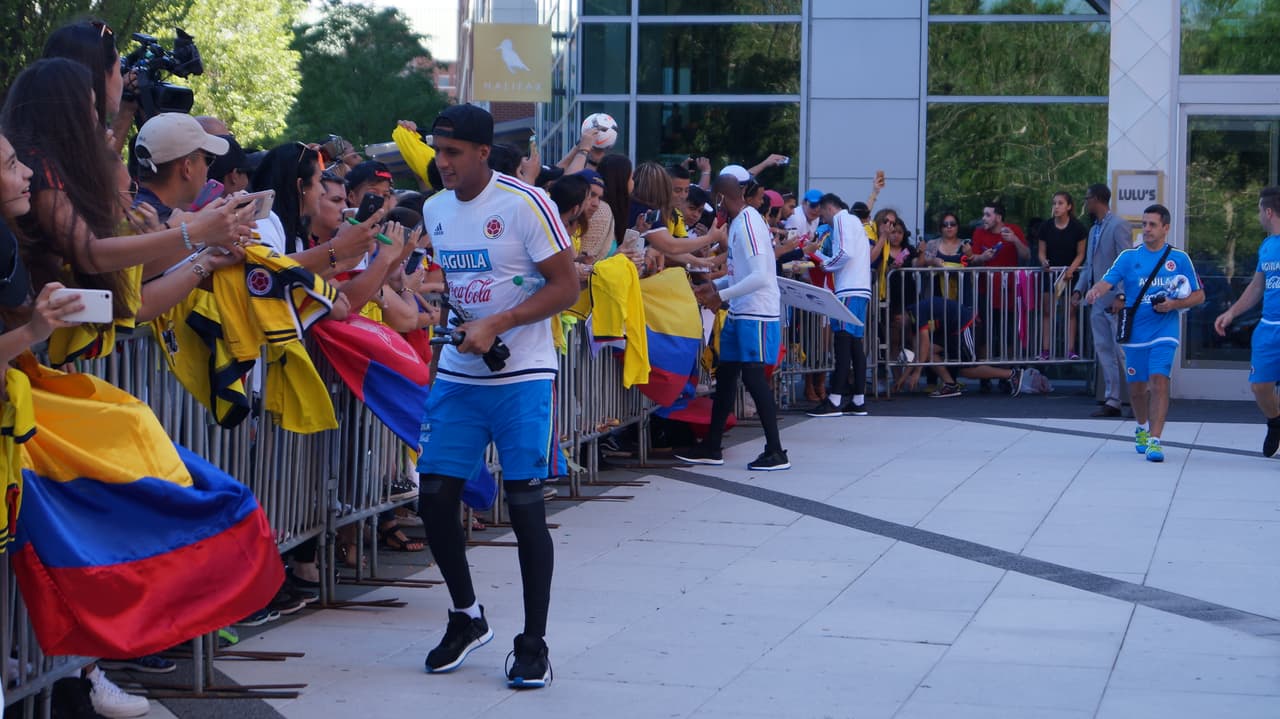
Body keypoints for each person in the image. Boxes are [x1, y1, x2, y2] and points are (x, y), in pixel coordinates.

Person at [415, 105, 577, 689]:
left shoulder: (525, 203)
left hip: (523, 373)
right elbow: (460, 283)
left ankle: (533, 644)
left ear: (483, 152)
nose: (443, 162)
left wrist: (499, 323)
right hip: (460, 373)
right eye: (438, 150)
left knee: (526, 509)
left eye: (454, 152)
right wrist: (456, 315)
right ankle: (466, 617)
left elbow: (567, 286)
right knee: (433, 496)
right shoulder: (434, 208)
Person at [675, 172, 789, 472]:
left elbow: (761, 276)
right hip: (742, 310)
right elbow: (743, 274)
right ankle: (712, 446)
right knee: (726, 376)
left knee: (753, 379)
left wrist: (719, 294)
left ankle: (776, 451)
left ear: (722, 198)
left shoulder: (749, 223)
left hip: (756, 312)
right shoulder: (741, 223)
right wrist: (715, 288)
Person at [1086, 204, 1203, 462]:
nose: (1146, 229)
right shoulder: (1129, 257)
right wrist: (1096, 290)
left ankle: (1155, 440)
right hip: (1136, 332)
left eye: (1152, 224)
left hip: (1165, 329)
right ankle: (1141, 427)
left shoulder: (1179, 259)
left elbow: (1198, 294)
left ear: (1166, 228)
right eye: (1144, 224)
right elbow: (1108, 279)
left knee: (1159, 379)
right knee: (1137, 389)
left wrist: (1174, 305)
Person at [1214, 186, 1280, 457]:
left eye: (1258, 211)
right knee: (1259, 385)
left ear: (1268, 211)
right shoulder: (1267, 246)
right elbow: (1257, 287)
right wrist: (1231, 313)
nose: (1258, 217)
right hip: (1268, 327)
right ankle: (1275, 422)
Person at [806, 193, 871, 417]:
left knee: (842, 342)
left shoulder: (843, 220)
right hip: (860, 288)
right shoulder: (854, 222)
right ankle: (858, 399)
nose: (823, 219)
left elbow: (844, 253)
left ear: (829, 208)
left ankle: (834, 399)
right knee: (854, 344)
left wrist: (825, 264)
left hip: (849, 289)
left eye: (822, 214)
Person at [1073, 183, 1134, 417]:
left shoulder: (1118, 226)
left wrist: (1121, 295)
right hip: (1096, 300)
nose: (1086, 202)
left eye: (1087, 198)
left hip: (1114, 300)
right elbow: (1090, 265)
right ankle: (1113, 399)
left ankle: (1139, 397)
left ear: (1097, 199)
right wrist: (1079, 289)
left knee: (1122, 350)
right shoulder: (1094, 230)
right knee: (1104, 349)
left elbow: (1126, 263)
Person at [1037, 191, 1087, 360]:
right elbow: (1041, 252)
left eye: (1060, 203)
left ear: (1069, 206)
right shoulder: (1046, 226)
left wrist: (1071, 270)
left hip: (1069, 275)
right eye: (1054, 203)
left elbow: (1081, 254)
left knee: (1070, 311)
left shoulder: (1078, 227)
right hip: (1050, 274)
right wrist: (1044, 263)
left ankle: (1070, 349)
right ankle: (1045, 350)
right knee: (1047, 310)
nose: (1056, 207)